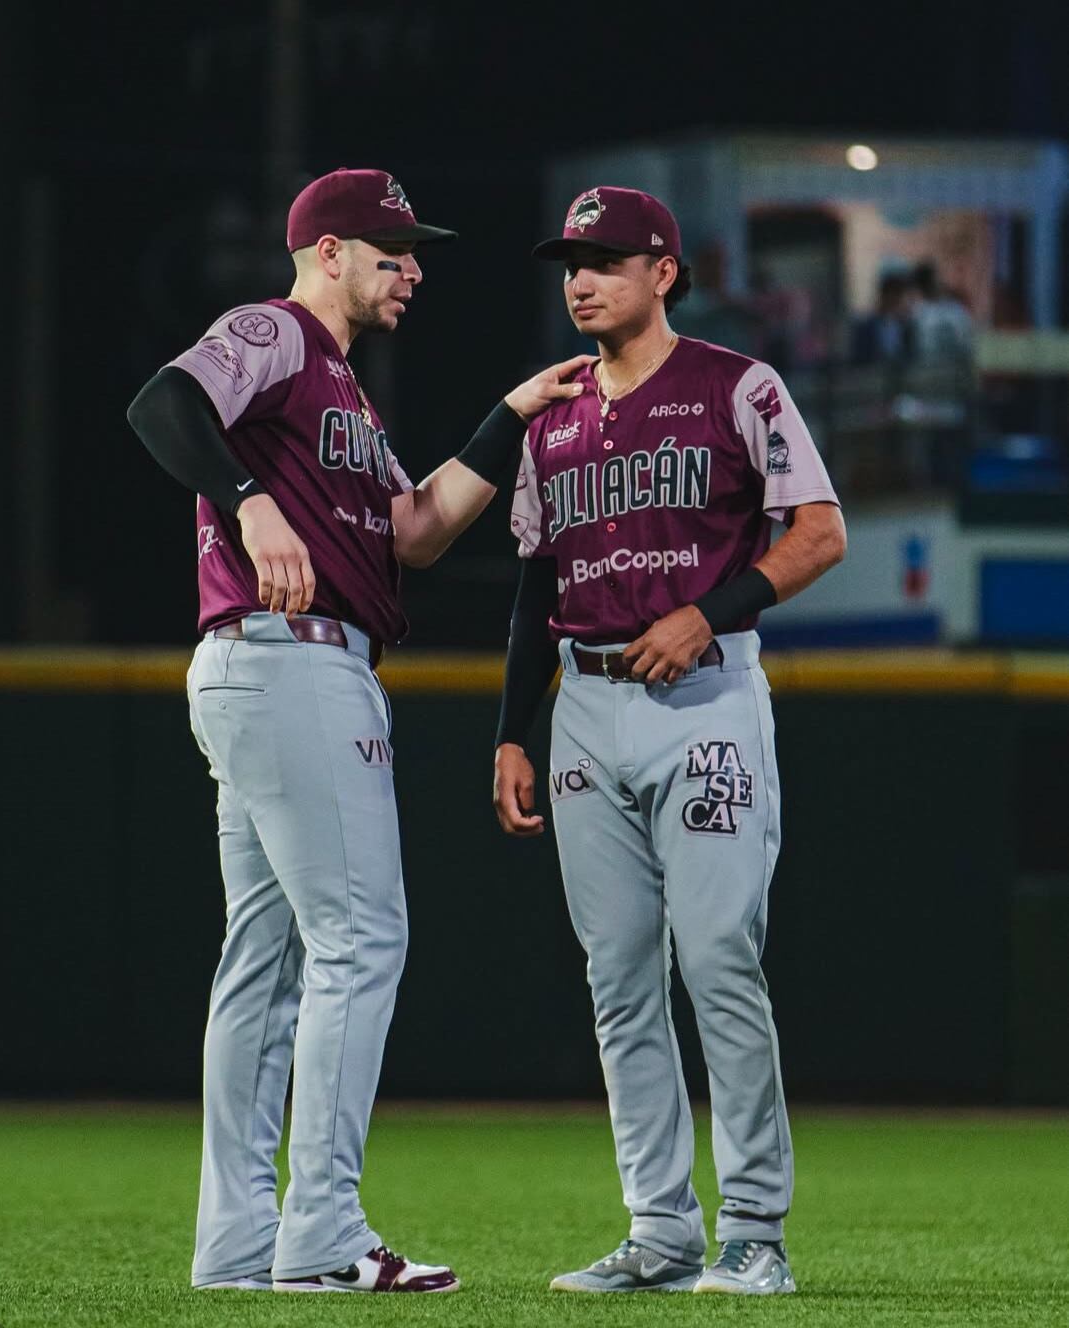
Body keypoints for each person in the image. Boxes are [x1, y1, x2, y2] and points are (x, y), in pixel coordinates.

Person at [127, 167, 589, 1295]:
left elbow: (416, 530)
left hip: (277, 669)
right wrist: (247, 496)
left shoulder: (343, 390)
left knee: (267, 959)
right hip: (290, 663)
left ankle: (240, 1240)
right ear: (326, 251)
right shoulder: (274, 332)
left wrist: (509, 417)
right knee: (361, 940)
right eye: (392, 249)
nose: (413, 267)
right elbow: (161, 405)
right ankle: (323, 1229)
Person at [492, 187, 846, 1296]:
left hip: (706, 694)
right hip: (585, 703)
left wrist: (718, 606)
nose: (580, 277)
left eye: (604, 258)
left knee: (721, 954)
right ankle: (660, 1228)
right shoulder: (550, 417)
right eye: (570, 260)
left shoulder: (738, 385)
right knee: (618, 978)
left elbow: (822, 532)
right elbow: (533, 587)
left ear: (664, 271)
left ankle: (755, 1229)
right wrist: (513, 730)